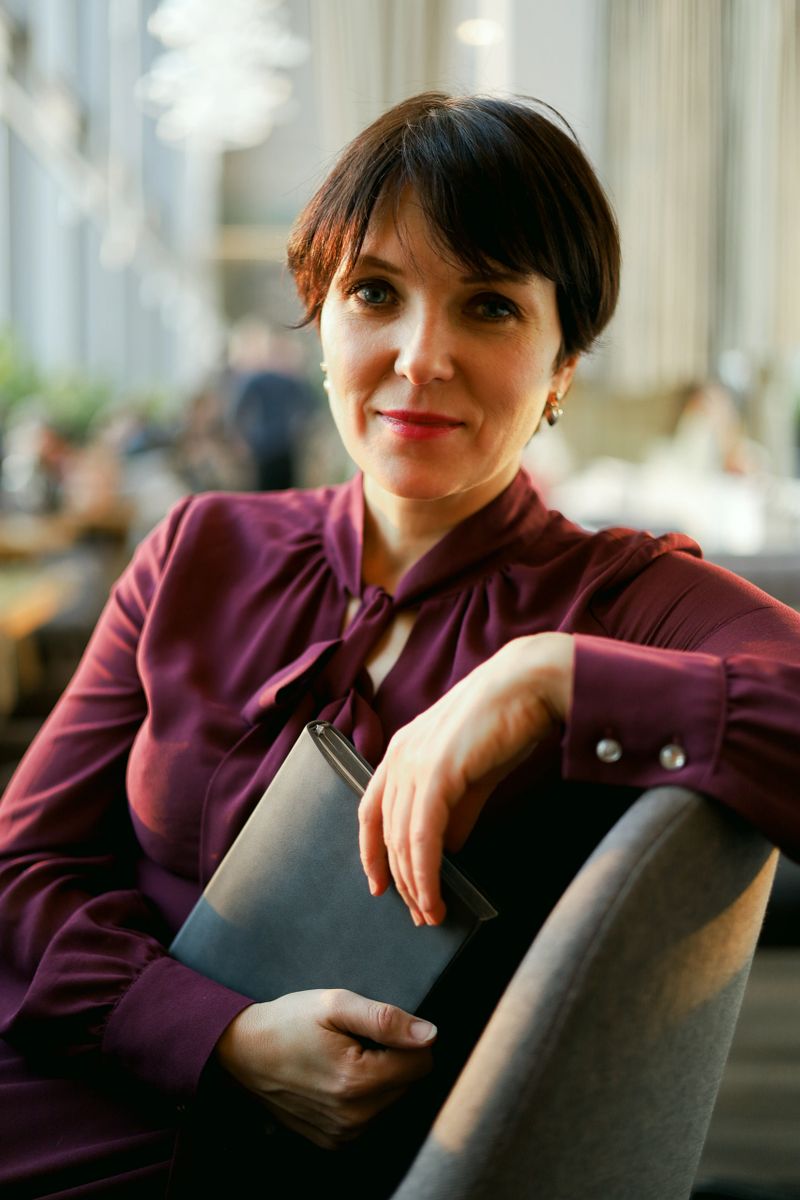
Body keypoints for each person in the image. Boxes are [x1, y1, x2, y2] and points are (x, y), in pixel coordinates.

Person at [2, 90, 800, 1199]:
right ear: (318, 317)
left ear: (562, 364)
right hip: (68, 1082)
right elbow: (24, 868)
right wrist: (216, 1038)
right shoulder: (197, 549)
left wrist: (549, 674)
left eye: (488, 307)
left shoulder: (618, 598)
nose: (420, 357)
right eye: (374, 292)